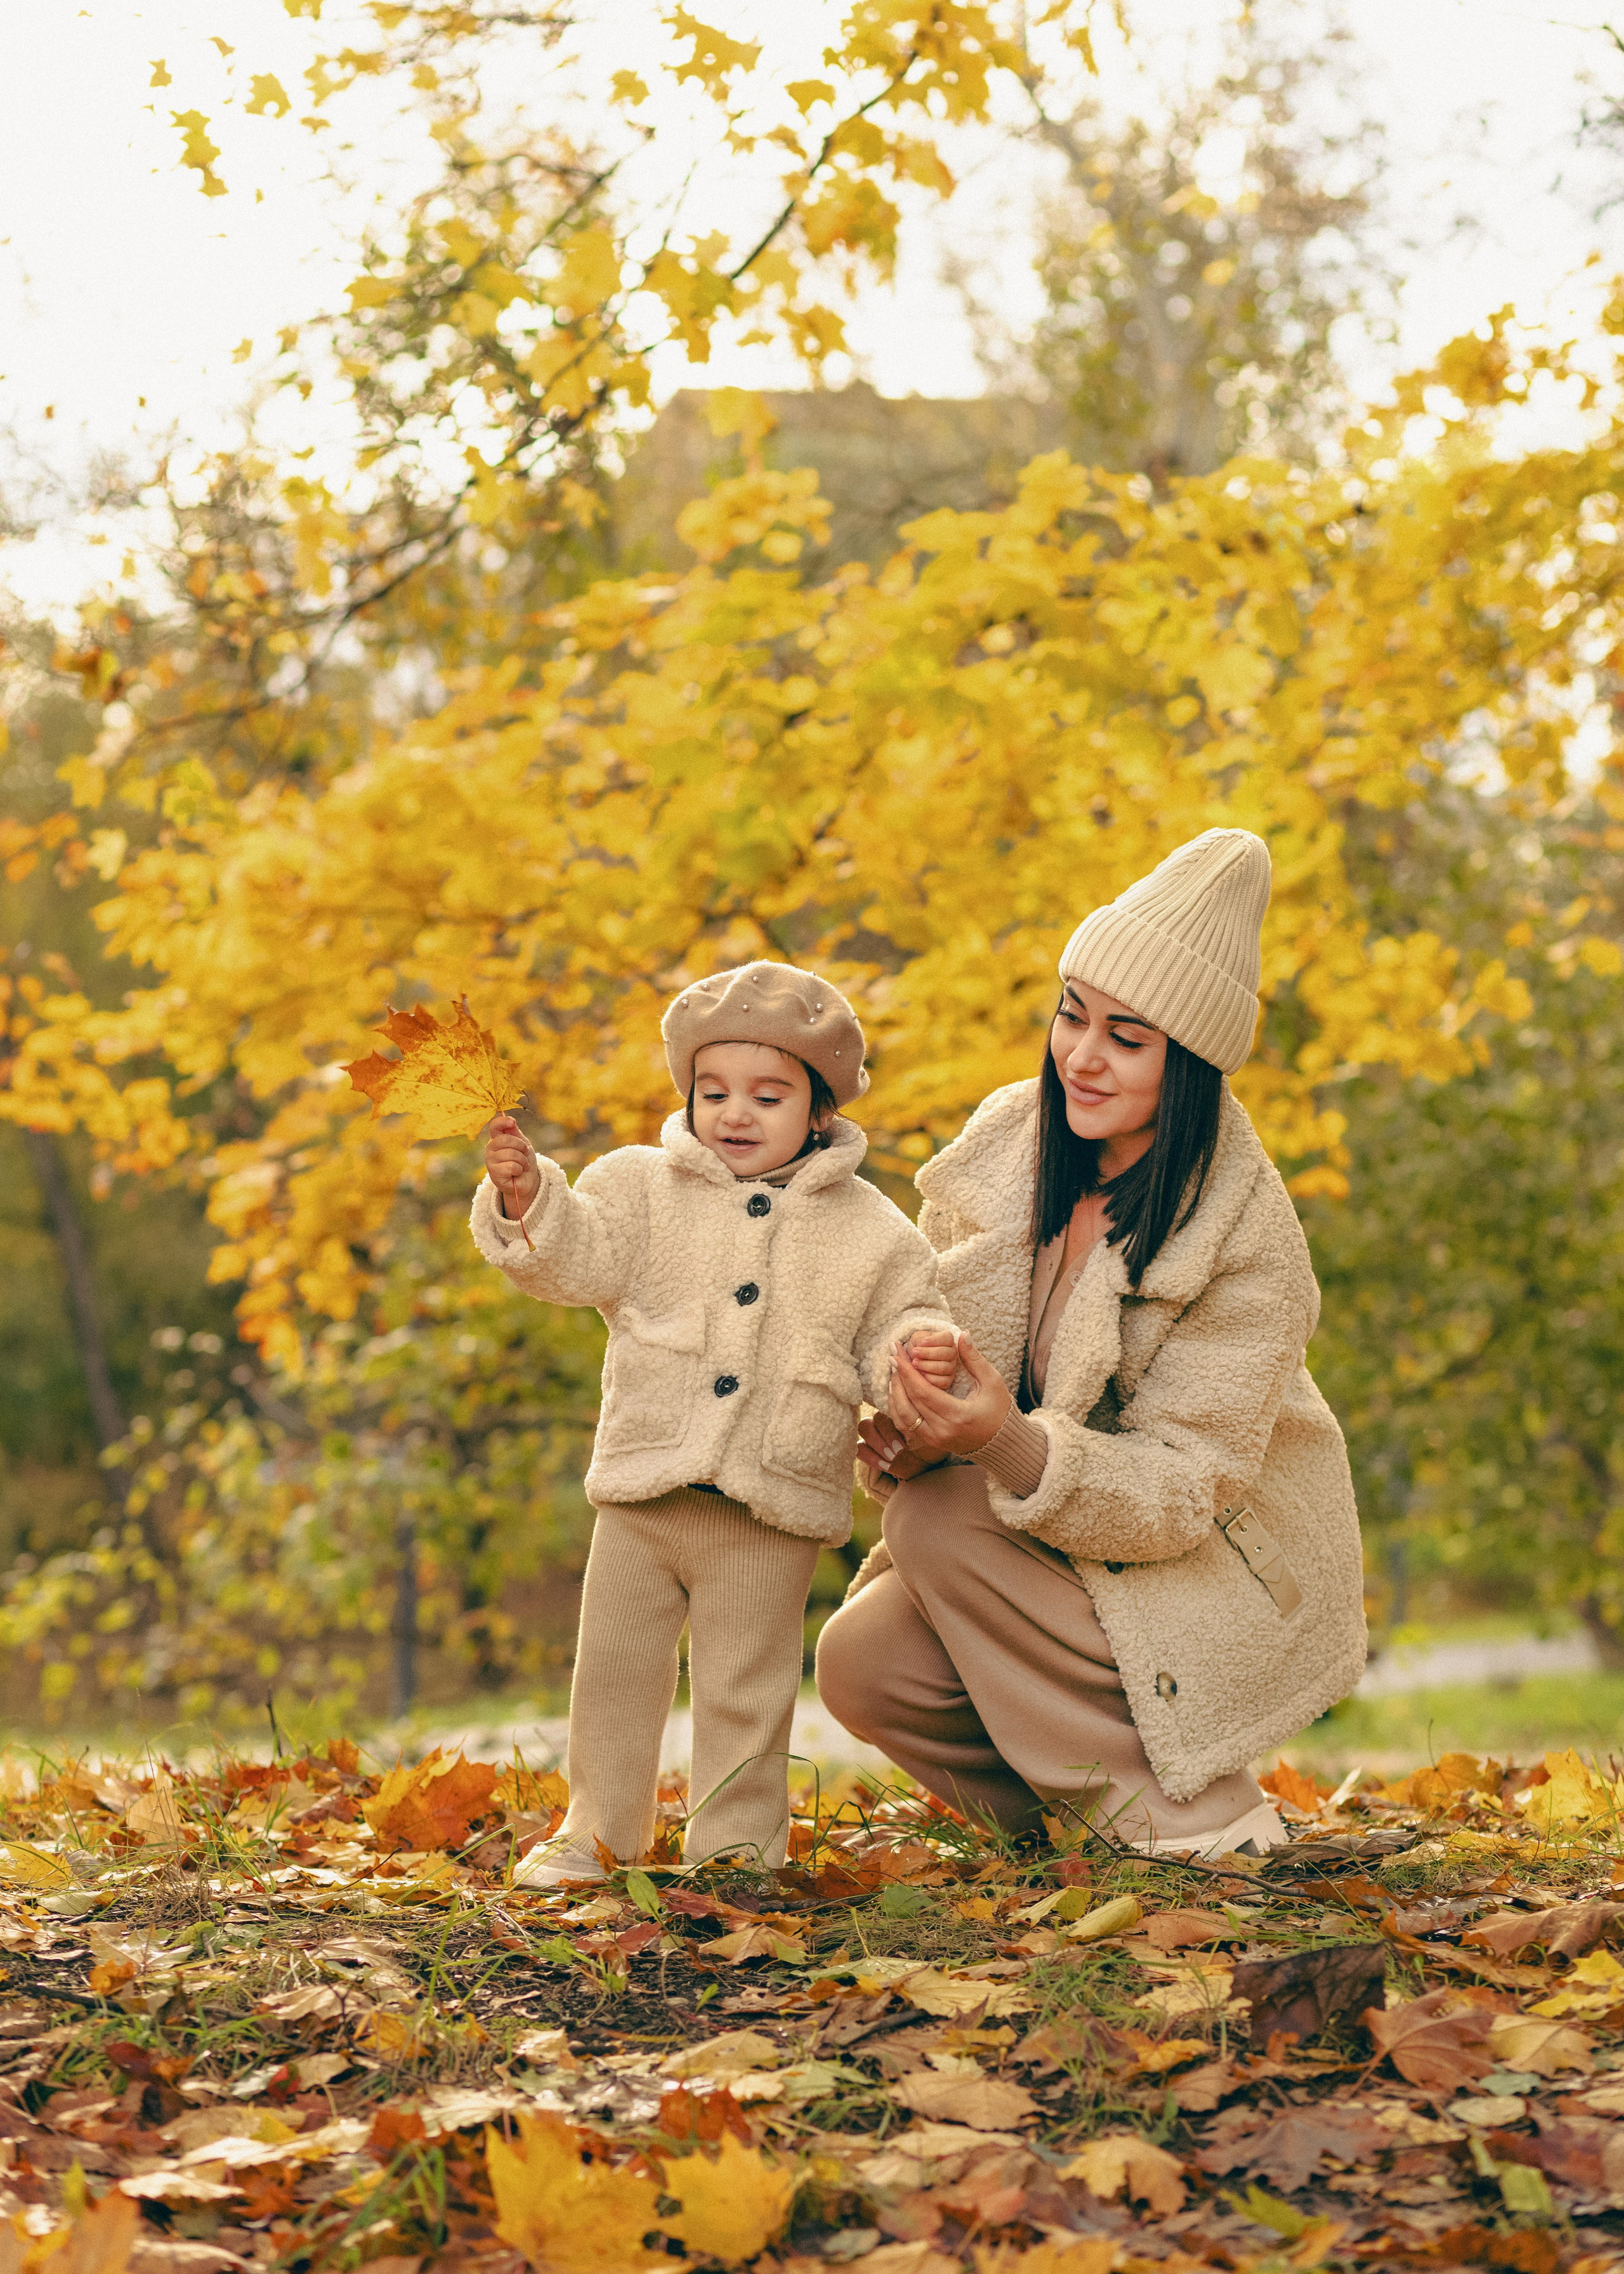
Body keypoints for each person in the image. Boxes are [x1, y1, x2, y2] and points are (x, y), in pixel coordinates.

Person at [816, 830, 1366, 1858]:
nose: (1081, 1055)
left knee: (938, 1521)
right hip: (1051, 1556)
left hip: (1218, 1567)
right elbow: (930, 1336)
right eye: (1073, 1015)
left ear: (1188, 1062)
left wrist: (999, 1444)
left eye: (1127, 1037)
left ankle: (1201, 1816)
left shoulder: (1245, 1235)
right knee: (862, 1661)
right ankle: (1093, 1827)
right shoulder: (1010, 1143)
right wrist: (916, 1437)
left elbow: (1184, 1490)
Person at [473, 961, 958, 1885]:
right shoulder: (638, 1187)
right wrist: (528, 1199)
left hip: (772, 1499)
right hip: (646, 1485)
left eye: (768, 1096)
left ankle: (736, 1851)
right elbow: (576, 1258)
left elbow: (899, 1318)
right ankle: (596, 1833)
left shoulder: (871, 1229)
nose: (736, 1114)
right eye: (714, 1091)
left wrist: (918, 1352)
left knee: (747, 1688)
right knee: (614, 1672)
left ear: (820, 1110)